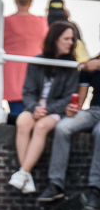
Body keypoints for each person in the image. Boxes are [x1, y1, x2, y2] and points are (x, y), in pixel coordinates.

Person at [9, 21, 81, 194]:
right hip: (36, 108)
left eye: (72, 39)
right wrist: (35, 107)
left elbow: (67, 97)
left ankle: (23, 172)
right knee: (22, 122)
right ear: (55, 39)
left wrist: (47, 110)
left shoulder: (72, 65)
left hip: (55, 111)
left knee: (41, 127)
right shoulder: (37, 61)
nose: (71, 43)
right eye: (66, 39)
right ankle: (26, 177)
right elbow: (28, 91)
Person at [41, 54, 100, 207]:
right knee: (63, 127)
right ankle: (55, 184)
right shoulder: (91, 64)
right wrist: (72, 109)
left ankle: (95, 188)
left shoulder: (96, 64)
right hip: (93, 110)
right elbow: (80, 100)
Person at [2, 0, 47, 121]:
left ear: (16, 0)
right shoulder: (42, 22)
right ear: (31, 1)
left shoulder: (6, 21)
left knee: (16, 113)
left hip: (13, 73)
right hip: (36, 70)